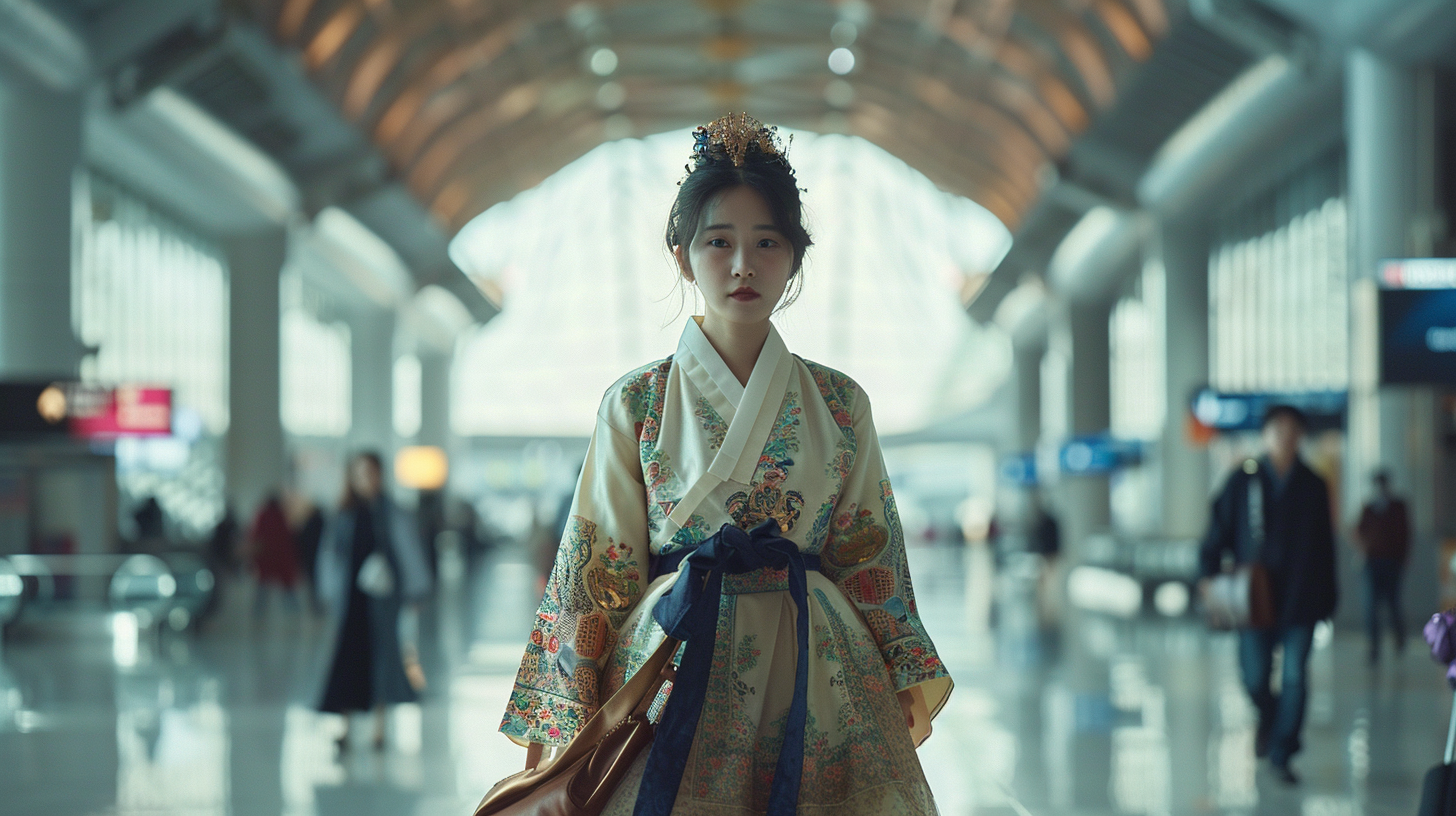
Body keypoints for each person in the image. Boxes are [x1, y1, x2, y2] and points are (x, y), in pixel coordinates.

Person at [498, 114, 952, 814]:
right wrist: (572, 702)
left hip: (816, 653)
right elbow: (598, 567)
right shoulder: (636, 401)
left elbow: (870, 553)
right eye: (719, 242)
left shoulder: (839, 402)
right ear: (682, 256)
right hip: (676, 651)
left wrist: (897, 668)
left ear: (795, 258)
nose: (743, 265)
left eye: (767, 242)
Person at [1199, 404, 1338, 786]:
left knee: (1295, 677)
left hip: (1302, 599)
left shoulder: (1312, 484)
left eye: (1293, 430)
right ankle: (1271, 719)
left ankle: (1282, 752)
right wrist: (1207, 572)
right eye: (1278, 429)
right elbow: (1218, 528)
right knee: (1254, 677)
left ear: (1301, 437)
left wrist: (1329, 597)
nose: (1285, 437)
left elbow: (1326, 546)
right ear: (1265, 435)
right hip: (1252, 598)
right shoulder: (1243, 481)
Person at [316, 452, 432, 752]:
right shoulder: (344, 514)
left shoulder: (392, 513)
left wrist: (416, 591)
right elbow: (331, 556)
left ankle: (379, 729)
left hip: (382, 601)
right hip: (350, 601)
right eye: (359, 474)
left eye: (370, 473)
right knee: (347, 661)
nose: (365, 480)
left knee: (382, 658)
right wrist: (327, 592)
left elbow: (408, 552)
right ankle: (345, 726)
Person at [1354, 469, 1410, 663]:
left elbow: (1405, 535)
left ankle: (1399, 638)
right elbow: (1358, 531)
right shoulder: (1369, 508)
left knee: (1393, 604)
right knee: (1371, 605)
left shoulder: (1398, 507)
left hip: (1392, 562)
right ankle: (1374, 646)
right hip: (1372, 562)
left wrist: (1402, 560)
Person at [247, 491, 301, 620]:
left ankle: (259, 614)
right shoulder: (280, 515)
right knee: (287, 588)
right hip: (281, 558)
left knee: (263, 588)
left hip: (266, 558)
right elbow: (288, 538)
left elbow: (256, 536)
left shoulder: (263, 515)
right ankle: (293, 614)